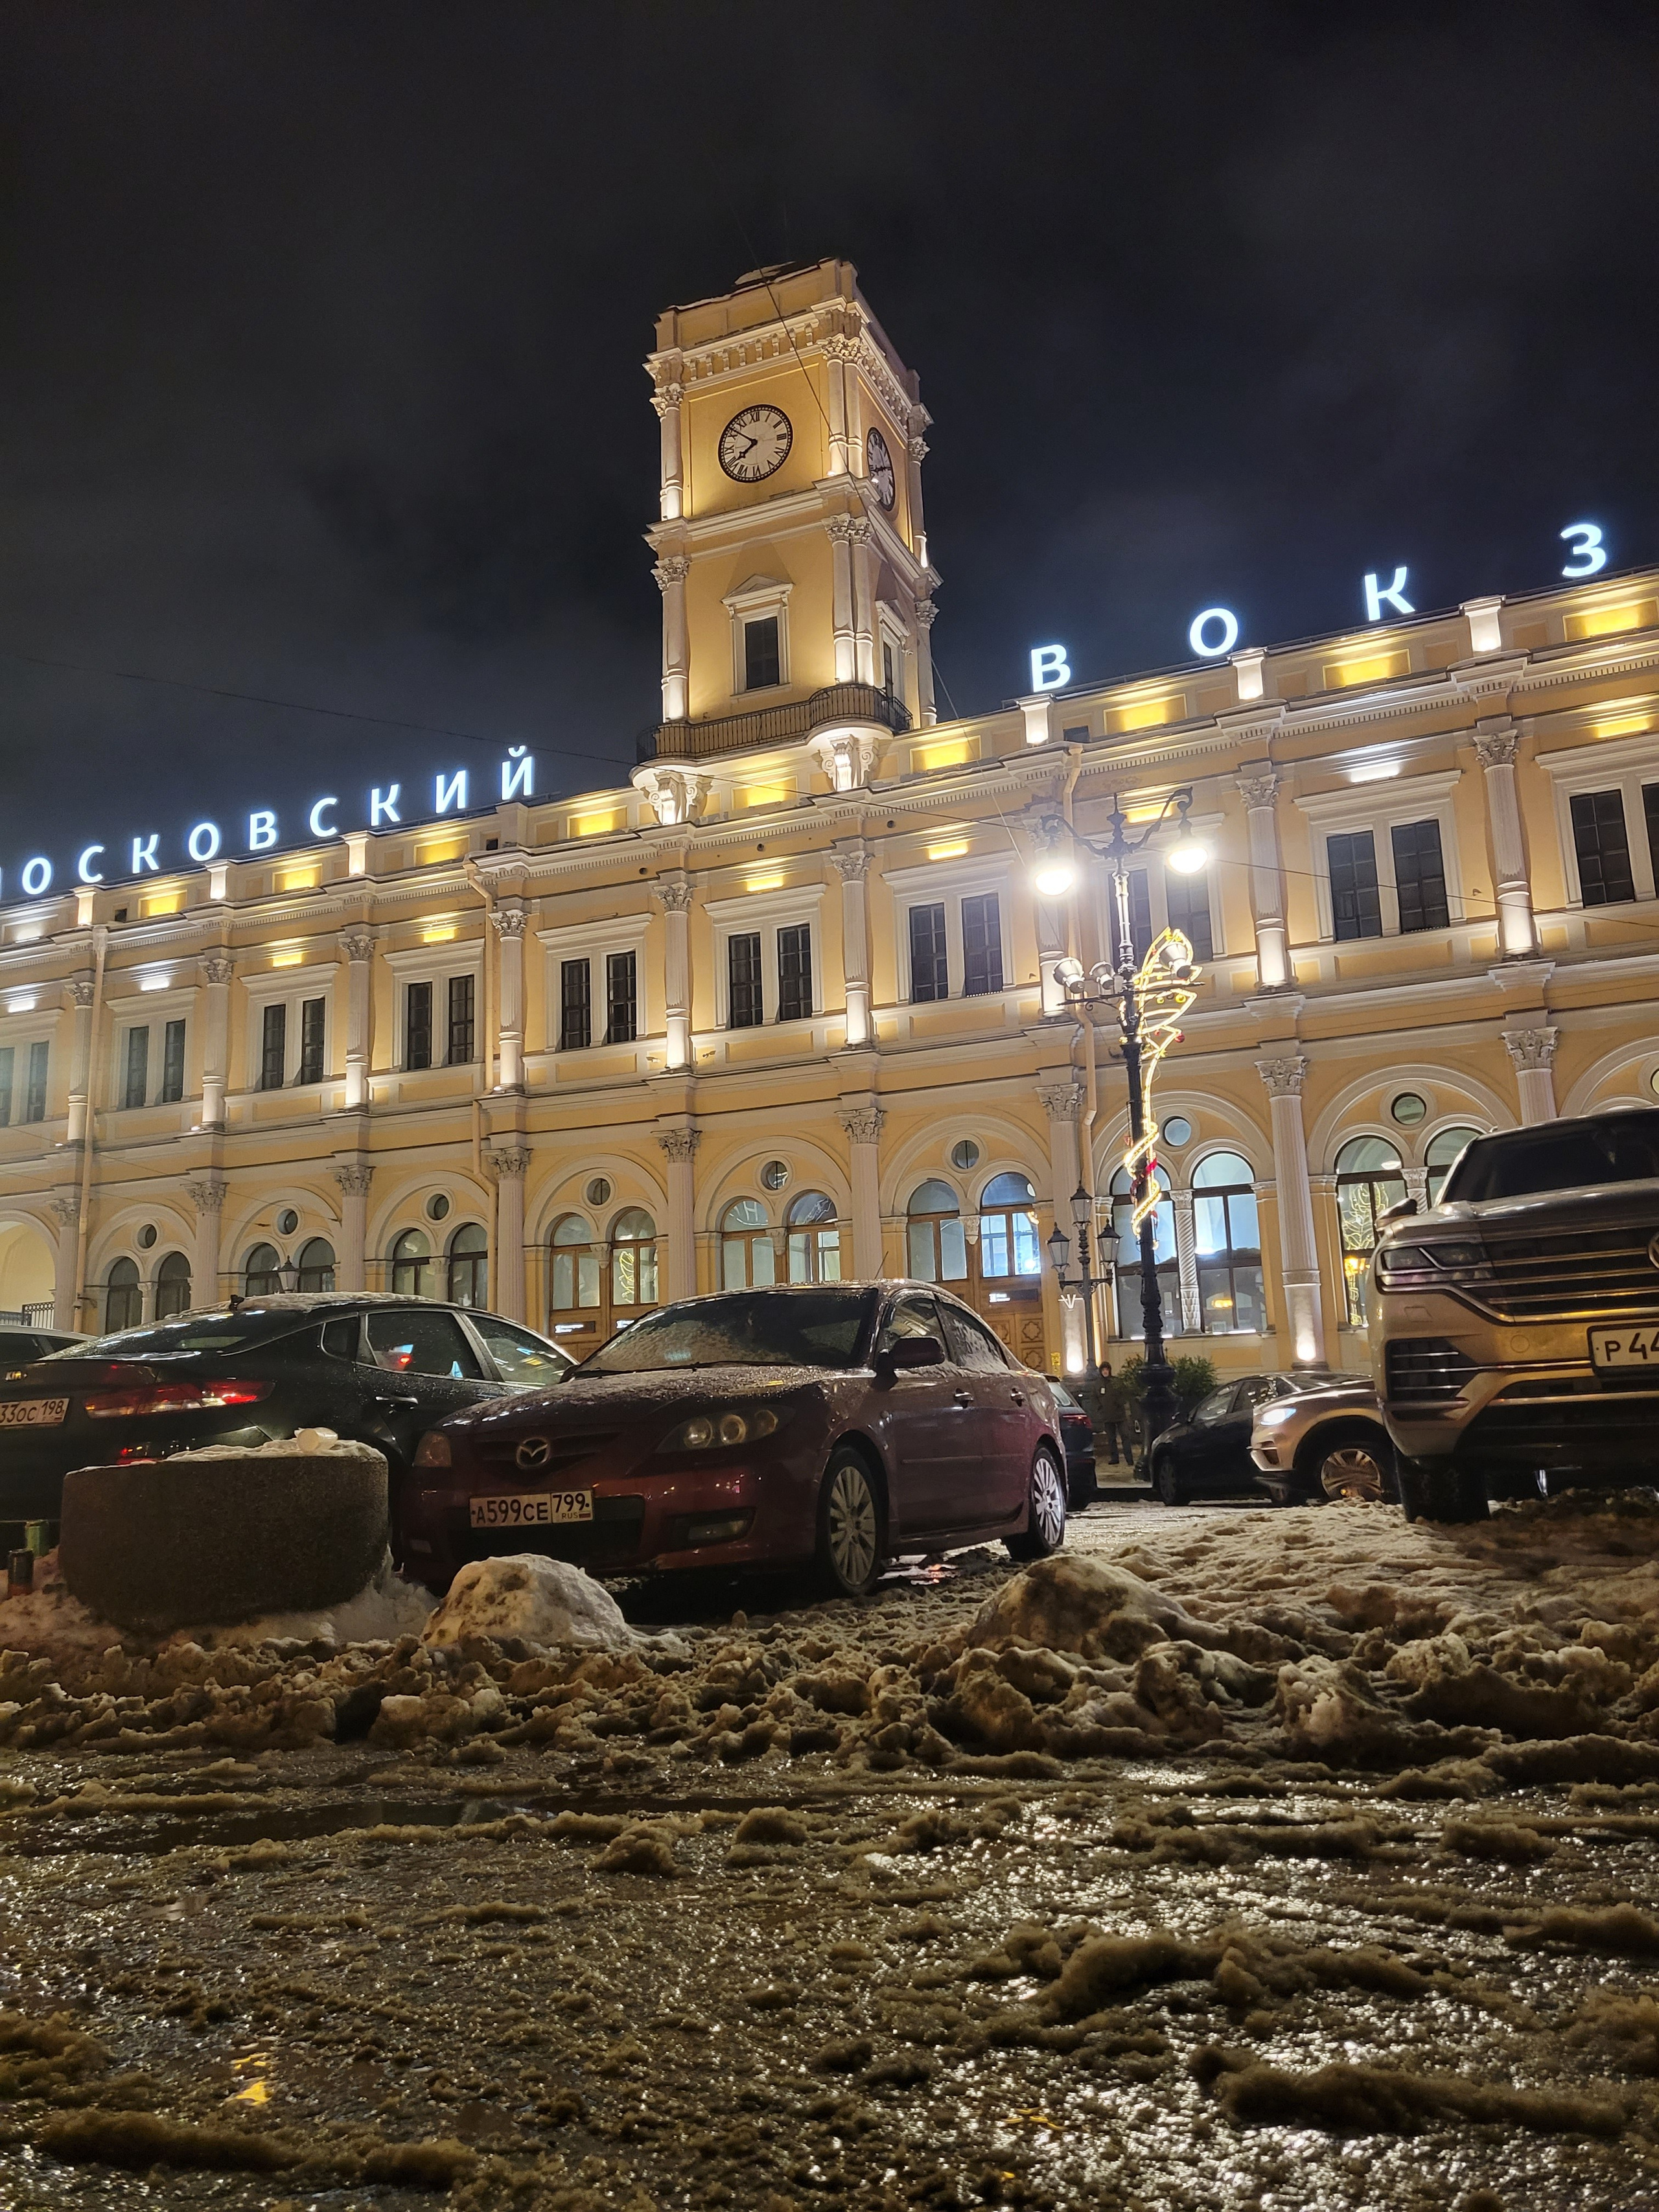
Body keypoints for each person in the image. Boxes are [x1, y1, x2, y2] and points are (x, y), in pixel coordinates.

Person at [1094, 1361, 1128, 1466]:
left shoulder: (1116, 1382)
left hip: (1119, 1415)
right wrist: (1100, 1410)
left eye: (1107, 1370)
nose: (1105, 1372)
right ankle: (1114, 1458)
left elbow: (1124, 1394)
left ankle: (1129, 1458)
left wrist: (1119, 1403)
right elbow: (1095, 1398)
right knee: (1111, 1438)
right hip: (1107, 1416)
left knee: (1125, 1436)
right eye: (1103, 1370)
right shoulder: (1098, 1384)